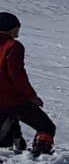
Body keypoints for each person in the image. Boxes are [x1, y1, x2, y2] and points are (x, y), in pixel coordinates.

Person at [0, 13, 54, 156]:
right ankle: (40, 159)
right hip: (11, 99)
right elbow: (16, 76)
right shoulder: (13, 46)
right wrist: (31, 96)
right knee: (47, 127)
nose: (19, 30)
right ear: (11, 28)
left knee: (5, 136)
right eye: (18, 27)